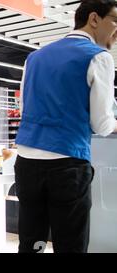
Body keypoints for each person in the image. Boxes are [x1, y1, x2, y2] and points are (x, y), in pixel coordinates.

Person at [15, 0, 117, 253]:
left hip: (27, 162)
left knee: (32, 242)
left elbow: (27, 106)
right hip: (67, 165)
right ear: (94, 19)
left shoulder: (34, 57)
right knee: (70, 243)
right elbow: (102, 124)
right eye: (115, 21)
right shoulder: (99, 57)